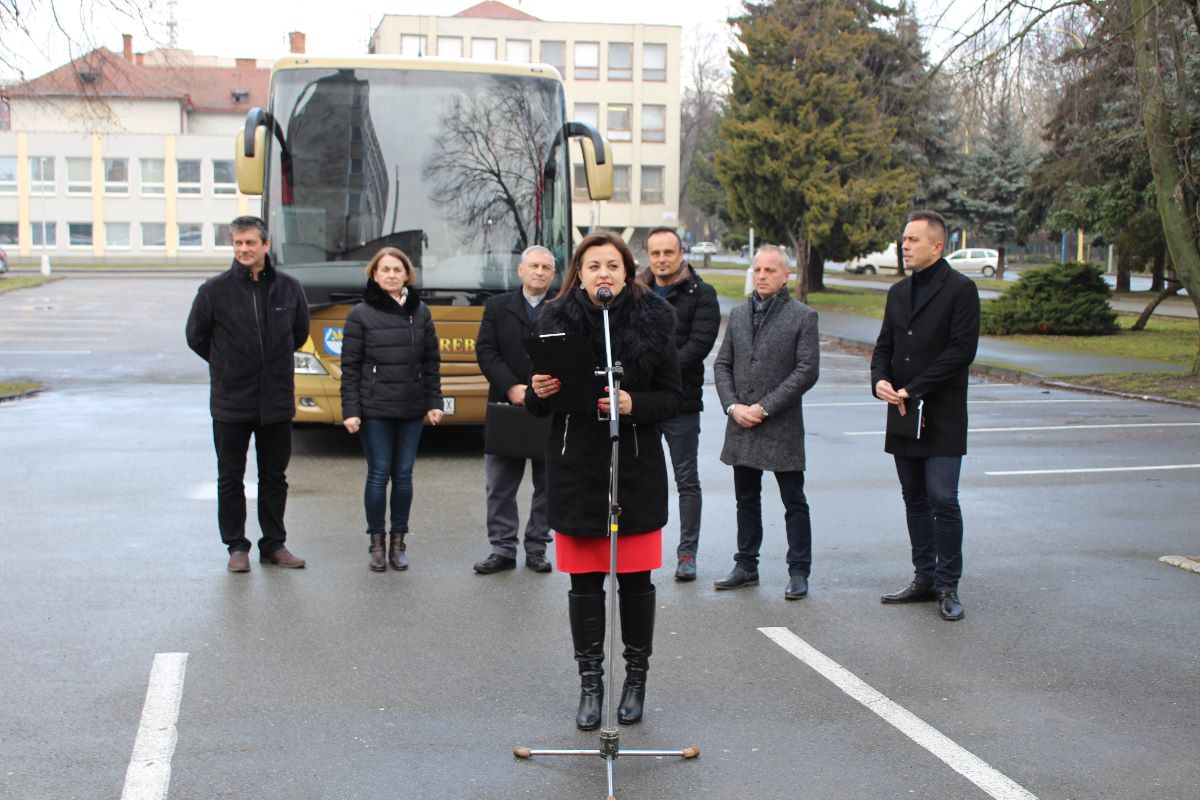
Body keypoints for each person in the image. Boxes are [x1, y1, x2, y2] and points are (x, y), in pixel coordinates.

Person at [526, 231, 681, 730]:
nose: (603, 274)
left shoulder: (654, 319)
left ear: (627, 272)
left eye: (612, 265)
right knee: (585, 583)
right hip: (576, 470)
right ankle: (590, 685)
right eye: (593, 266)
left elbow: (674, 397)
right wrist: (538, 391)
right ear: (579, 274)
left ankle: (635, 681)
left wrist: (635, 403)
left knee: (635, 581)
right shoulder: (554, 320)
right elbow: (537, 405)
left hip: (632, 467)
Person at [870, 210, 980, 621]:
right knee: (914, 497)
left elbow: (961, 351)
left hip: (942, 413)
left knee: (942, 498)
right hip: (903, 412)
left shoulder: (961, 290)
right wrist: (879, 380)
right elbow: (884, 346)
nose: (905, 246)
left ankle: (948, 586)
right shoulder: (898, 292)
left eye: (913, 240)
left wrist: (914, 387)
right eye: (904, 239)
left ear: (937, 246)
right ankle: (924, 577)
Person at [185, 216, 310, 573]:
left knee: (274, 477)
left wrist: (271, 363)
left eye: (250, 243)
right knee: (230, 477)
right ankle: (236, 547)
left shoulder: (289, 288)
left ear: (265, 245)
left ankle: (274, 544)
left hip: (276, 400)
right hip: (231, 402)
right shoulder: (214, 291)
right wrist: (228, 363)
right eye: (238, 243)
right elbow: (196, 337)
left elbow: (298, 333)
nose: (243, 249)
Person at [712, 245, 820, 600]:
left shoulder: (803, 316)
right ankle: (746, 565)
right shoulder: (738, 315)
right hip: (741, 422)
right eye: (757, 269)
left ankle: (799, 571)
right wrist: (733, 407)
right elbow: (722, 364)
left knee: (794, 501)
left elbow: (806, 371)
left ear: (786, 276)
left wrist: (764, 407)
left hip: (780, 424)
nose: (761, 276)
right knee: (746, 499)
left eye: (770, 270)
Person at [340, 247, 444, 572]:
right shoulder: (360, 314)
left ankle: (398, 544)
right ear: (374, 274)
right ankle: (377, 543)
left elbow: (431, 362)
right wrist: (351, 410)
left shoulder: (420, 312)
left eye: (397, 270)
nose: (391, 275)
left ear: (407, 275)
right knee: (378, 474)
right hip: (375, 409)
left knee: (403, 477)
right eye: (384, 269)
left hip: (411, 407)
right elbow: (350, 367)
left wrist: (434, 402)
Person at [635, 227, 720, 582]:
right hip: (640, 403)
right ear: (648, 255)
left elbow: (699, 346)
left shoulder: (702, 293)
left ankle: (687, 554)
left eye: (668, 252)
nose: (661, 259)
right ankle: (638, 551)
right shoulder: (635, 291)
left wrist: (655, 369)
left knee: (686, 480)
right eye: (655, 253)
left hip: (681, 402)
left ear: (681, 253)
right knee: (637, 478)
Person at [472, 245, 556, 575]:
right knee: (499, 485)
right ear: (520, 270)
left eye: (546, 267)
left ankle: (537, 547)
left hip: (549, 407)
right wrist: (511, 386)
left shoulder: (563, 307)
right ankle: (502, 548)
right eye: (534, 266)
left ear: (553, 273)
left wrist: (539, 390)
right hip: (505, 406)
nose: (539, 272)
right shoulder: (497, 306)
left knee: (547, 485)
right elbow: (486, 350)